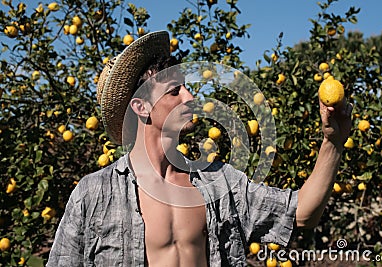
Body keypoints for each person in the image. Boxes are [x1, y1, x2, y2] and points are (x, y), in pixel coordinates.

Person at [47, 31, 352, 266]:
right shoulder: (93, 194)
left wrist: (333, 143)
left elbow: (301, 213)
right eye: (175, 90)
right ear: (141, 107)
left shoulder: (219, 181)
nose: (190, 96)